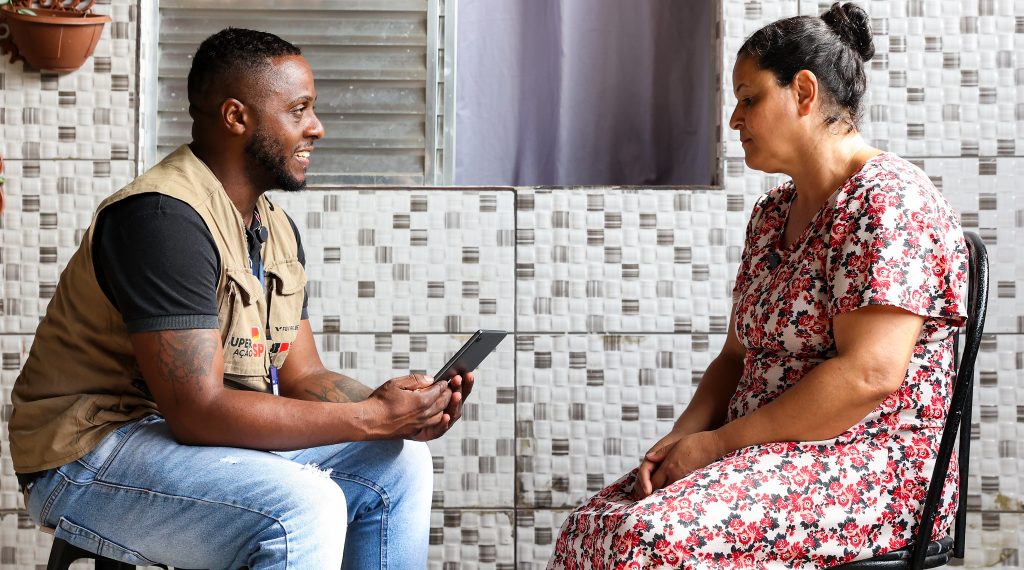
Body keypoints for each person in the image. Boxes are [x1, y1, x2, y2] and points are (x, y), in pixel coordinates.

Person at [9, 28, 471, 569]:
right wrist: (371, 418)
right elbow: (198, 412)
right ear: (236, 117)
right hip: (86, 455)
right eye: (298, 110)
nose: (316, 127)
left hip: (176, 440)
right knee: (305, 504)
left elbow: (303, 377)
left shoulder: (273, 228)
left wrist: (400, 410)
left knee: (399, 463)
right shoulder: (162, 220)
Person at [549, 3, 968, 568]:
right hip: (757, 454)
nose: (734, 120)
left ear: (803, 92)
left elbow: (869, 375)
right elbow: (734, 357)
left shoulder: (888, 201)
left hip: (869, 468)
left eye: (748, 99)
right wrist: (678, 442)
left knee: (647, 538)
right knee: (591, 527)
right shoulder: (772, 215)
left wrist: (717, 445)